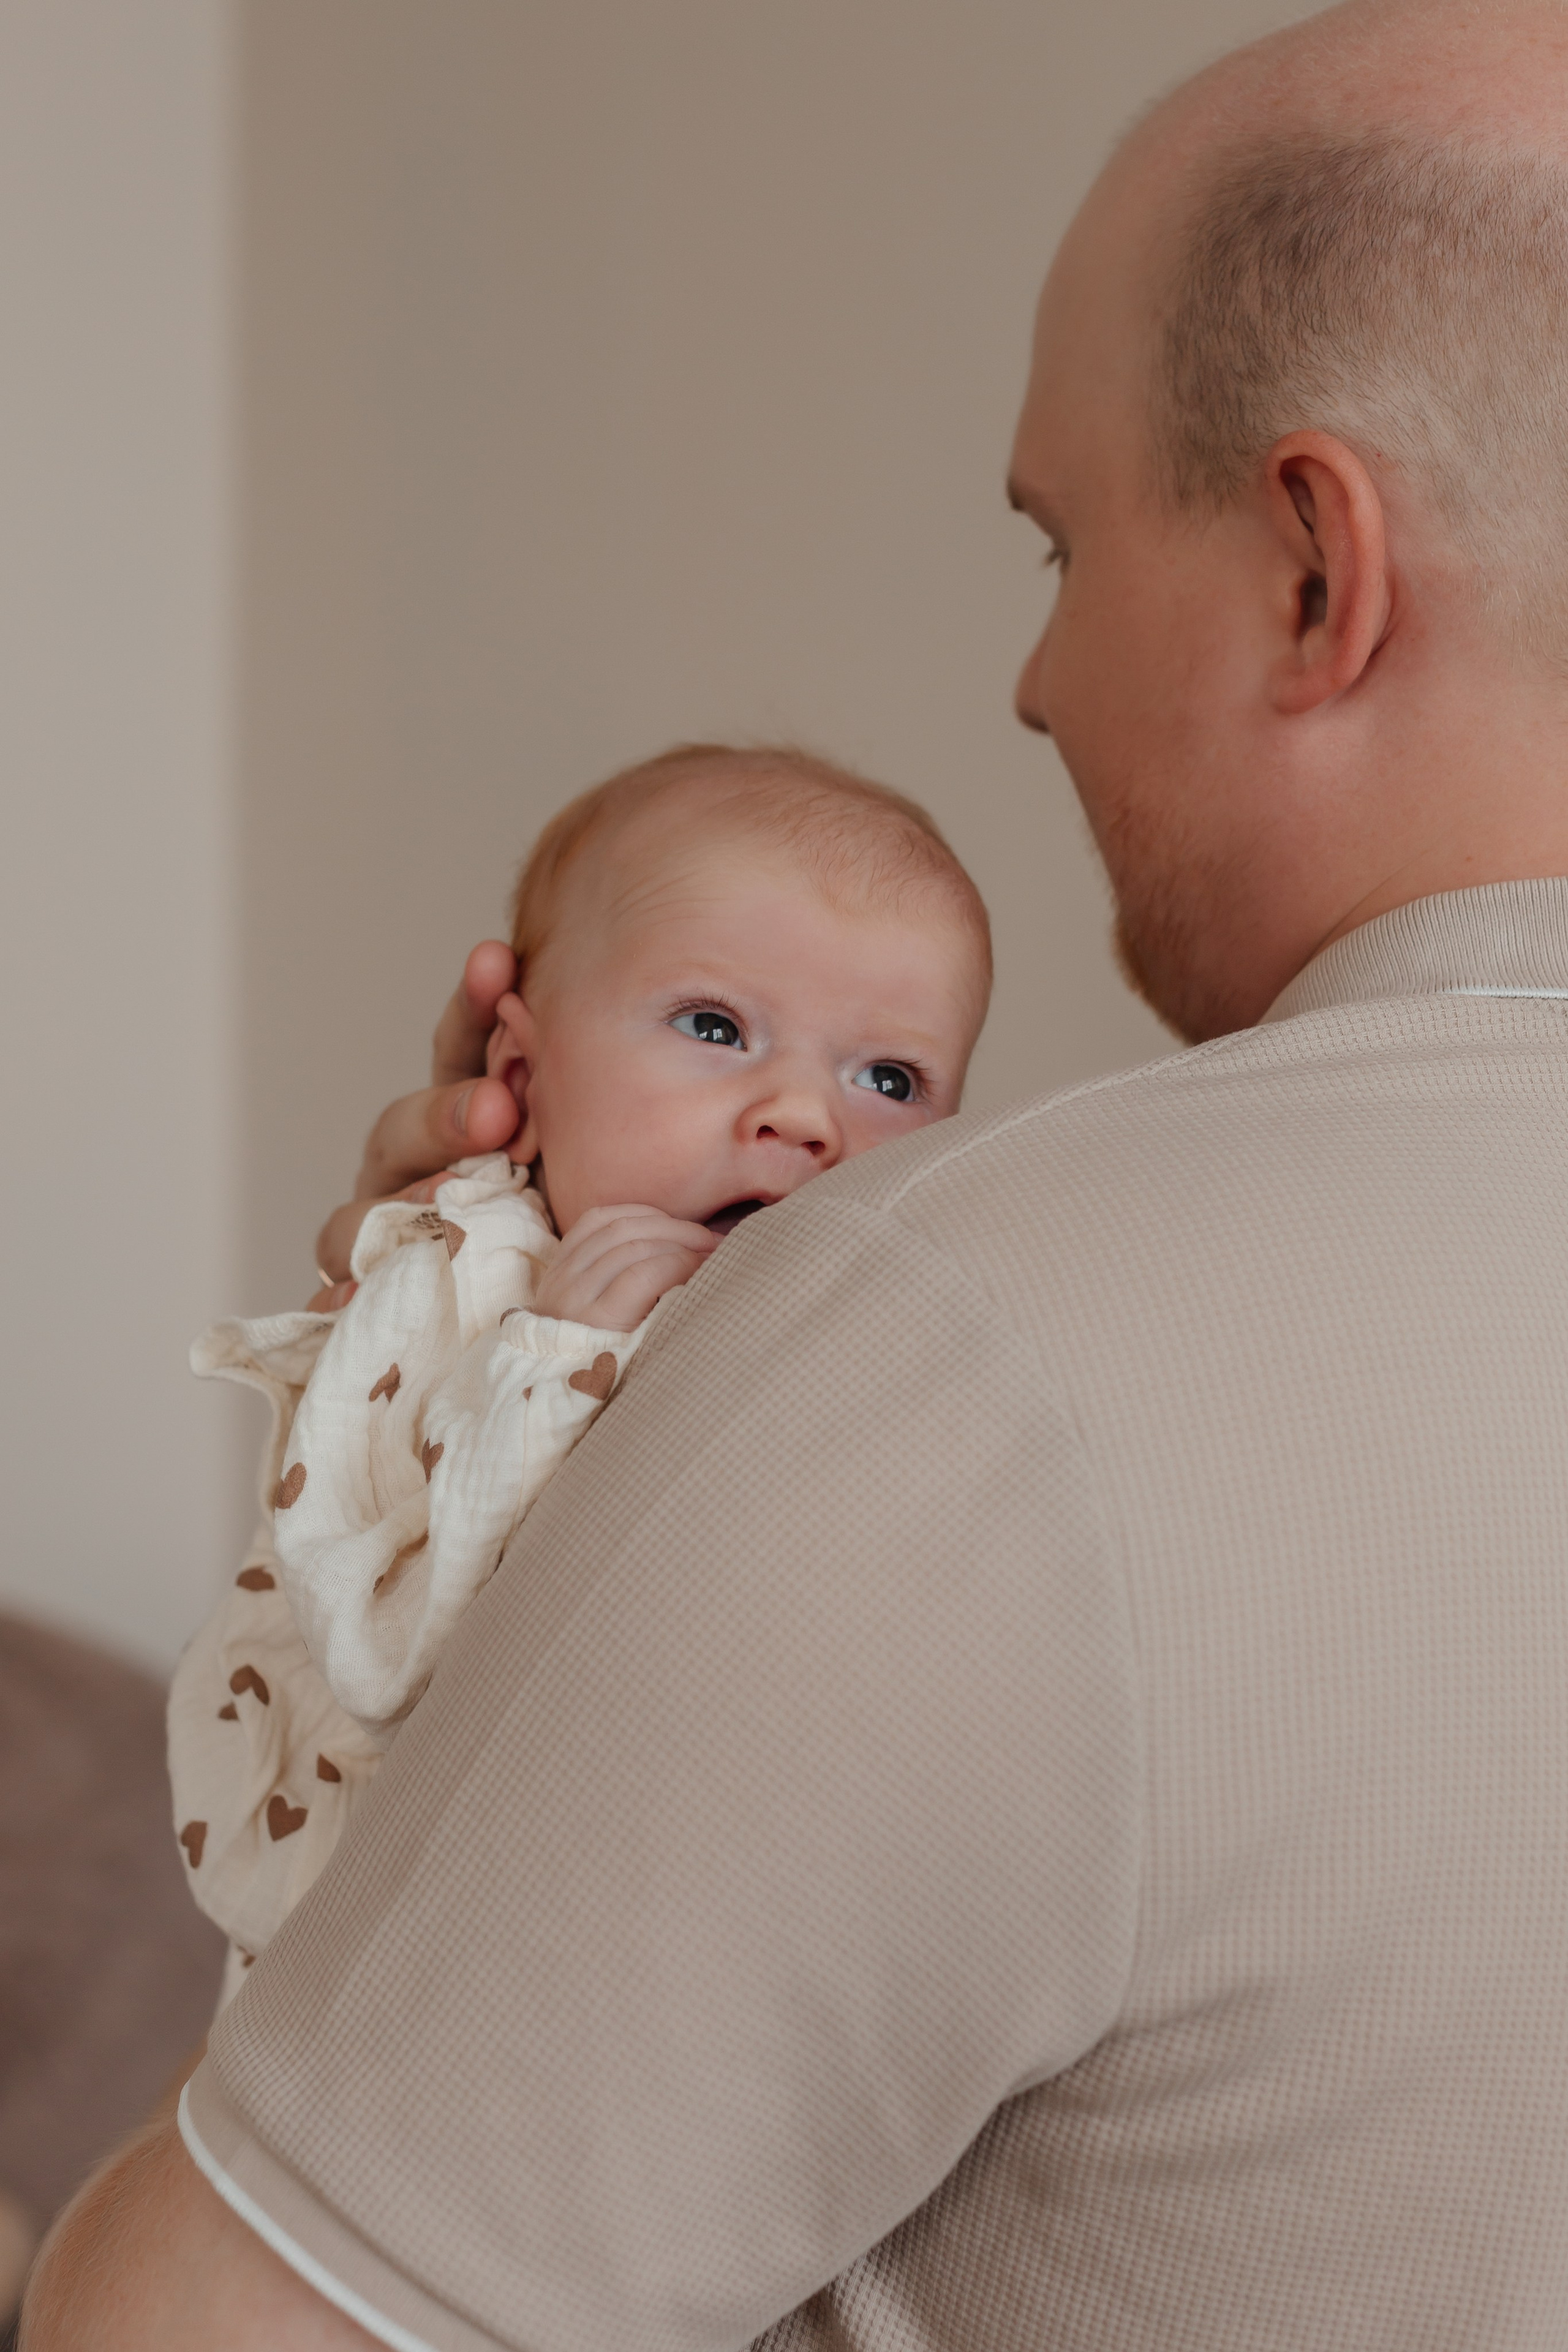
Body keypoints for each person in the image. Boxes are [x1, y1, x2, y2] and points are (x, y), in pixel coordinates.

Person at [25, 0, 1568, 2343]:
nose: (1037, 685)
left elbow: (205, 2327)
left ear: (1307, 572)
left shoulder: (966, 1341)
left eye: (1056, 544)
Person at [165, 744, 990, 2005]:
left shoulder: (861, 1338)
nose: (808, 1118)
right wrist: (554, 1362)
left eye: (888, 1078)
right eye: (715, 1027)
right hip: (360, 1971)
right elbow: (388, 1661)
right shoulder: (459, 1286)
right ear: (518, 1081)